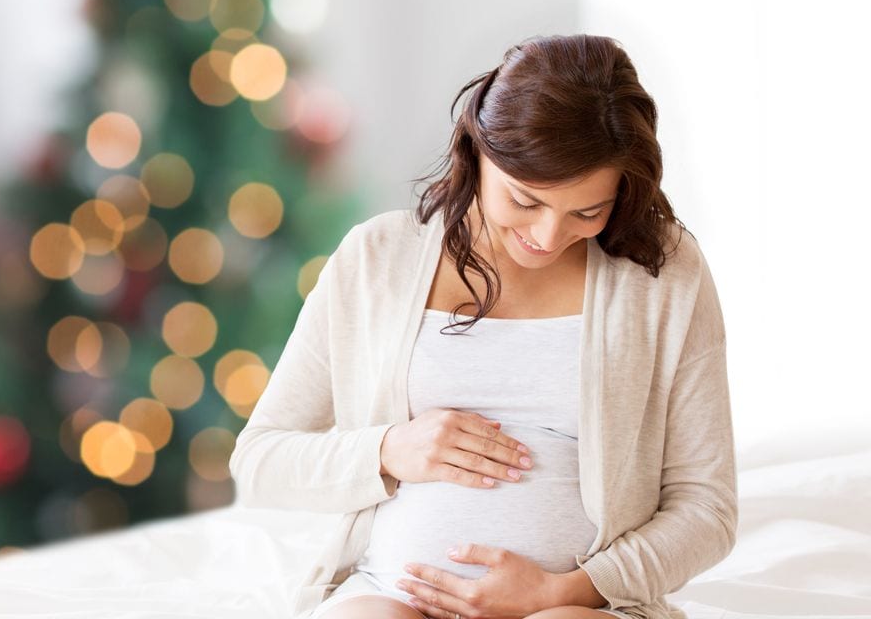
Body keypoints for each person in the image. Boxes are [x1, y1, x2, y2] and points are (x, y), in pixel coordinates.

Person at [228, 34, 738, 619]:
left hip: (581, 608)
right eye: (525, 201)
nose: (547, 237)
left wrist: (565, 591)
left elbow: (707, 508)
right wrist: (390, 450)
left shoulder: (663, 273)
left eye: (587, 212)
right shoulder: (378, 257)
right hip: (390, 593)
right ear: (477, 150)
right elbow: (261, 458)